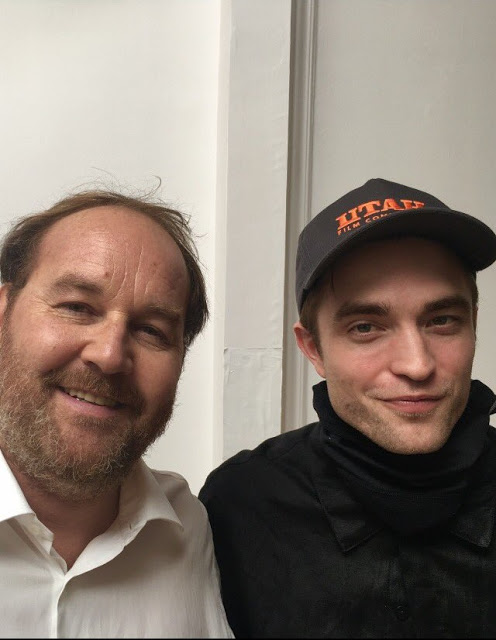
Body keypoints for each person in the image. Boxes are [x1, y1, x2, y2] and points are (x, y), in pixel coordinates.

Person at [200, 178, 496, 638]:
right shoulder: (240, 505)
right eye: (366, 327)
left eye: (442, 320)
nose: (417, 365)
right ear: (313, 348)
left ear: (473, 324)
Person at [0, 190, 232, 638]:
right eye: (77, 308)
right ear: (3, 312)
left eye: (152, 330)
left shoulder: (188, 528)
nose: (109, 356)